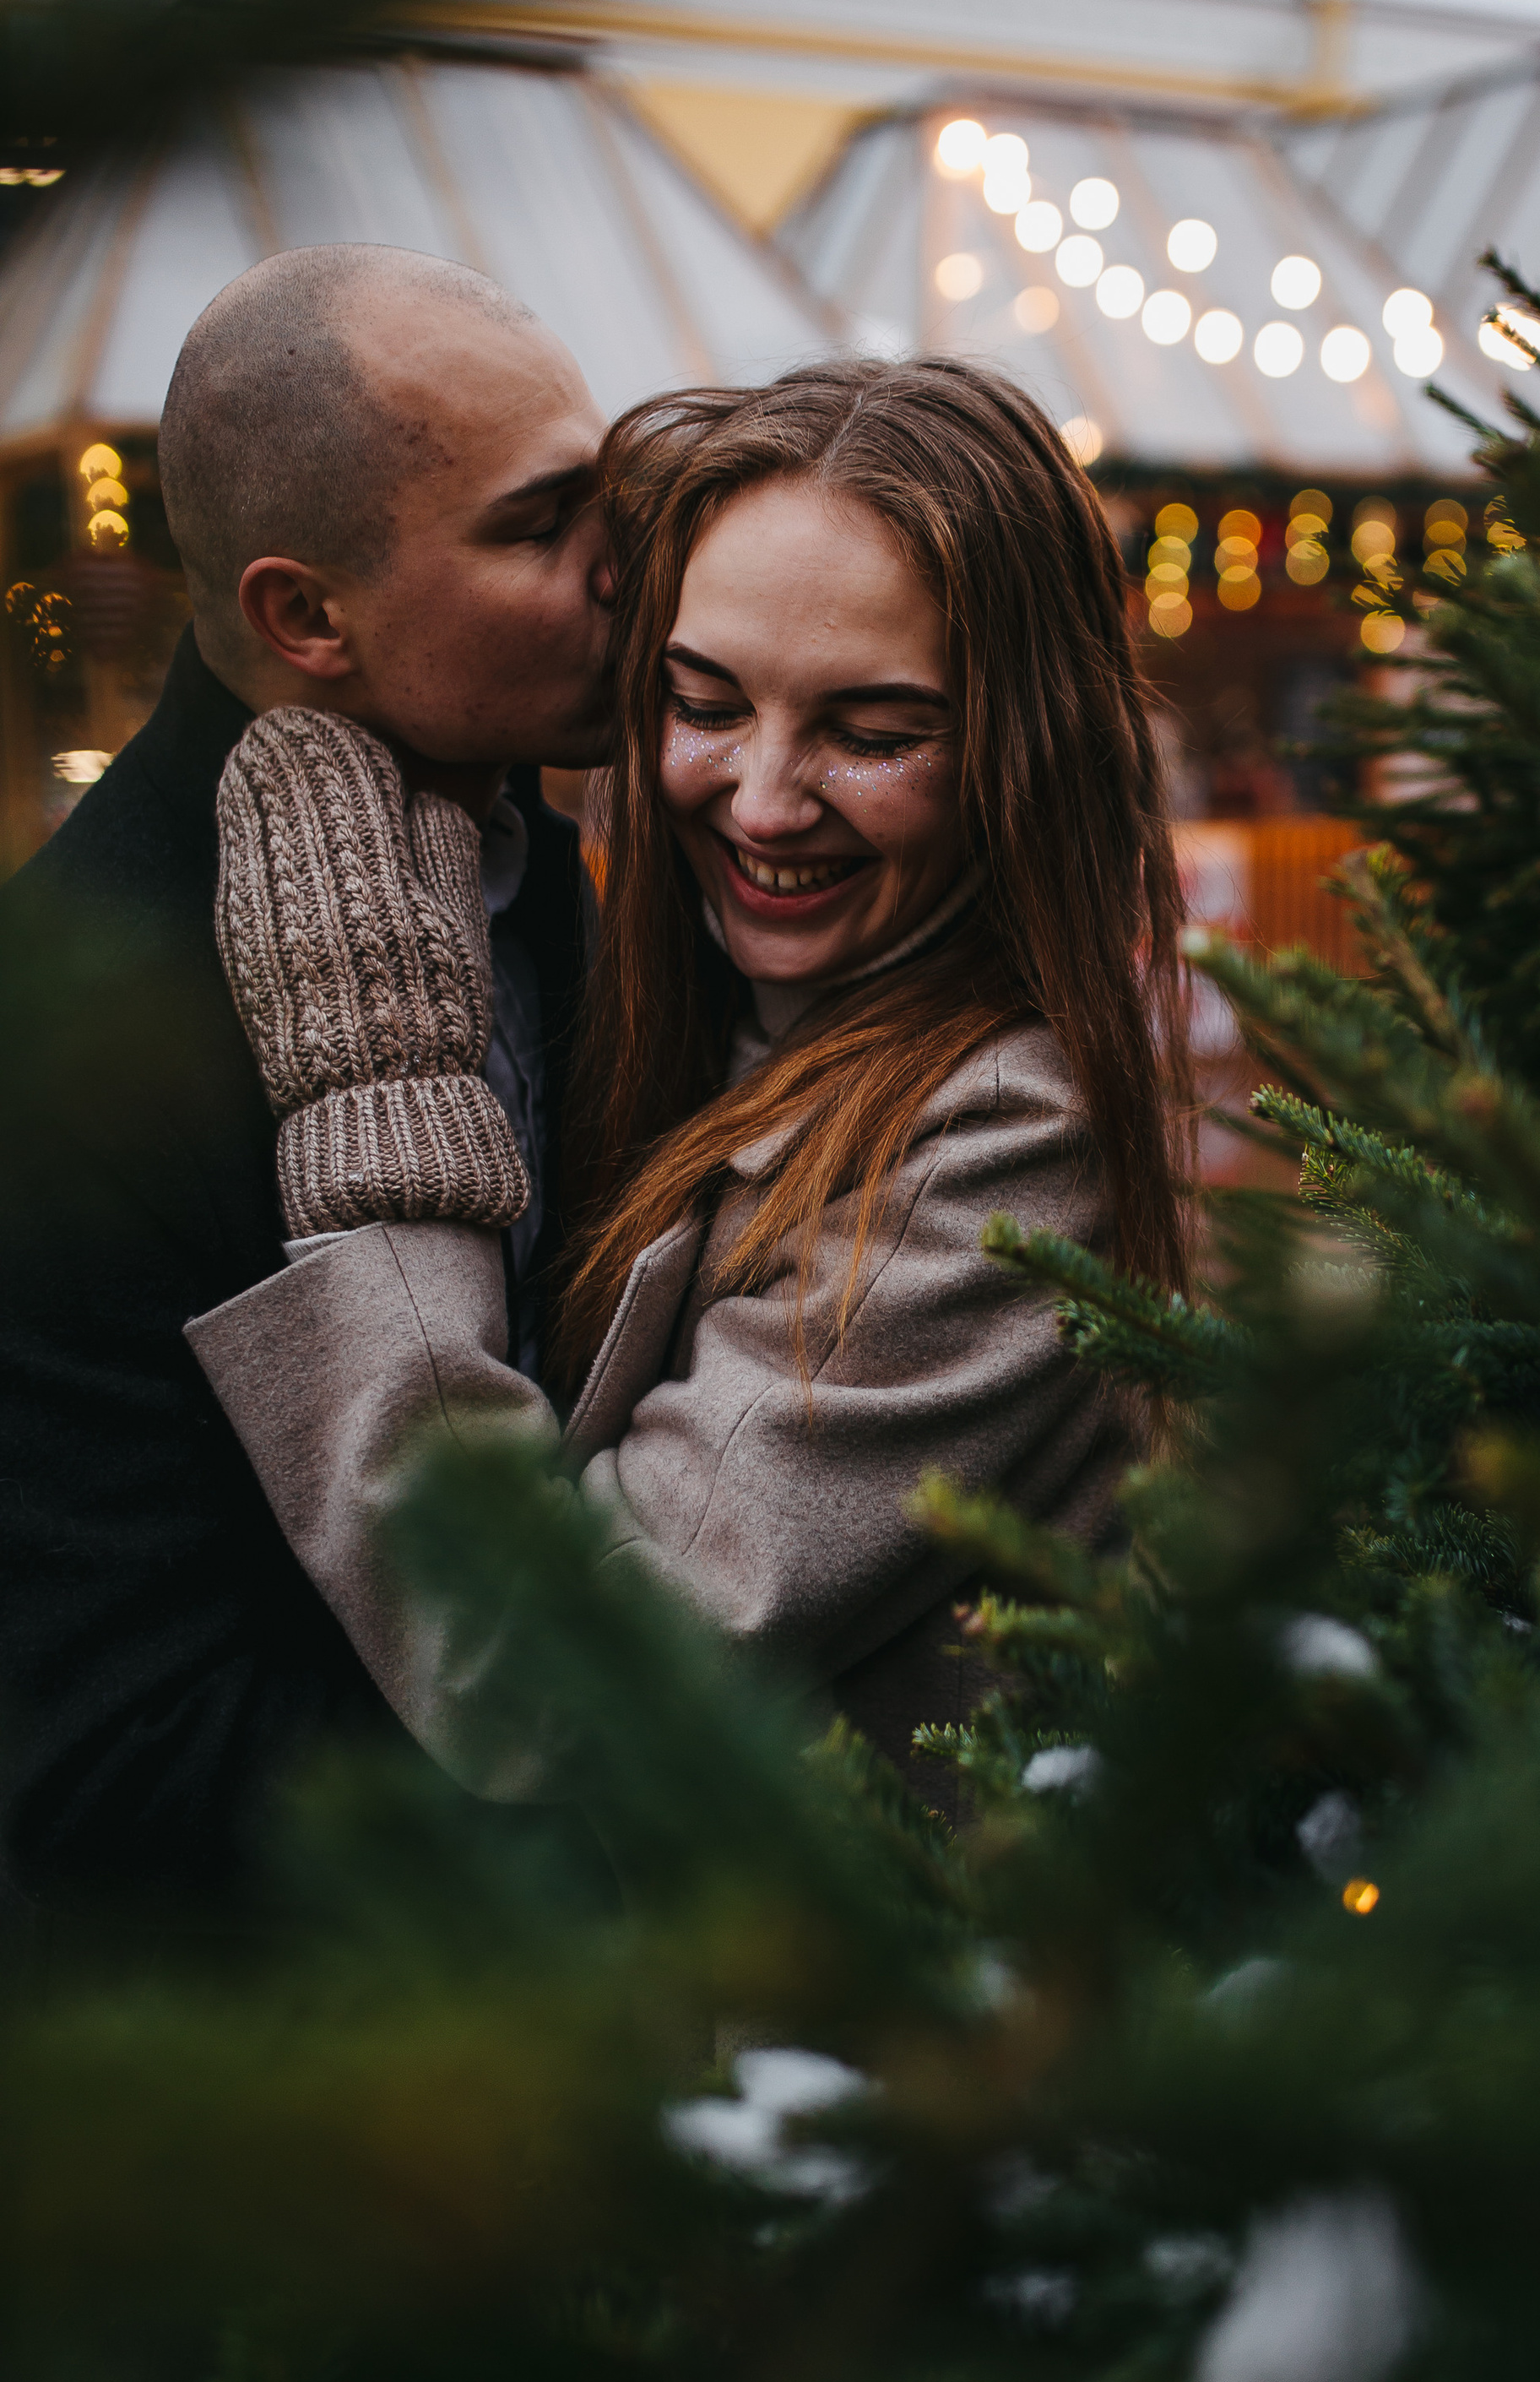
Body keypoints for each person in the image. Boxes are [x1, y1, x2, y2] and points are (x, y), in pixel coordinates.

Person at [183, 357, 1189, 1800]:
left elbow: (546, 1679)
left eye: (874, 732)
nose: (765, 801)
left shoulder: (1006, 1132)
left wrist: (379, 1087)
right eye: (705, 703)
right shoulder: (709, 1009)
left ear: (1025, 753)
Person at [0, 243, 615, 1936]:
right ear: (306, 616)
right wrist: (638, 1815)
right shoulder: (77, 1034)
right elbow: (107, 1753)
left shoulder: (527, 848)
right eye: (537, 524)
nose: (620, 566)